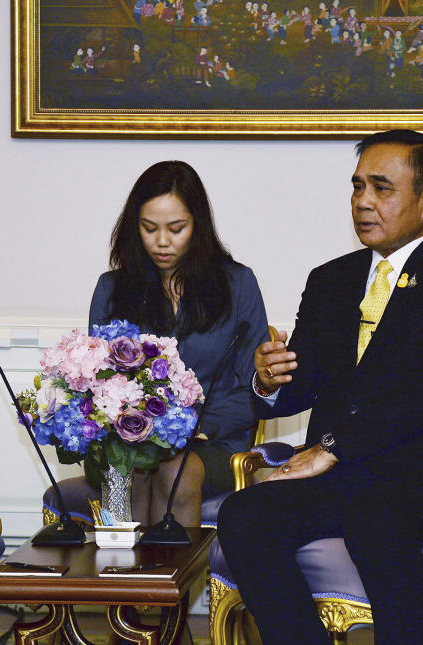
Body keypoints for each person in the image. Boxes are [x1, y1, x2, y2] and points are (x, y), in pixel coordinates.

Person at [217, 130, 423, 645]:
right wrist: (267, 379)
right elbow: (301, 390)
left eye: (381, 188)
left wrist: (330, 447)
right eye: (357, 187)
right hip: (347, 474)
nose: (363, 202)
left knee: (378, 516)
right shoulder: (331, 279)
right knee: (244, 514)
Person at [90, 160, 269, 527]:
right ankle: (125, 581)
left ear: (197, 226)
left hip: (212, 441)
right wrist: (138, 429)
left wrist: (194, 428)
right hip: (128, 440)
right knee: (132, 470)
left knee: (175, 472)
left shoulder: (237, 285)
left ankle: (170, 585)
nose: (162, 241)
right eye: (149, 228)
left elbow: (251, 387)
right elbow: (98, 385)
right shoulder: (112, 290)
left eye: (176, 229)